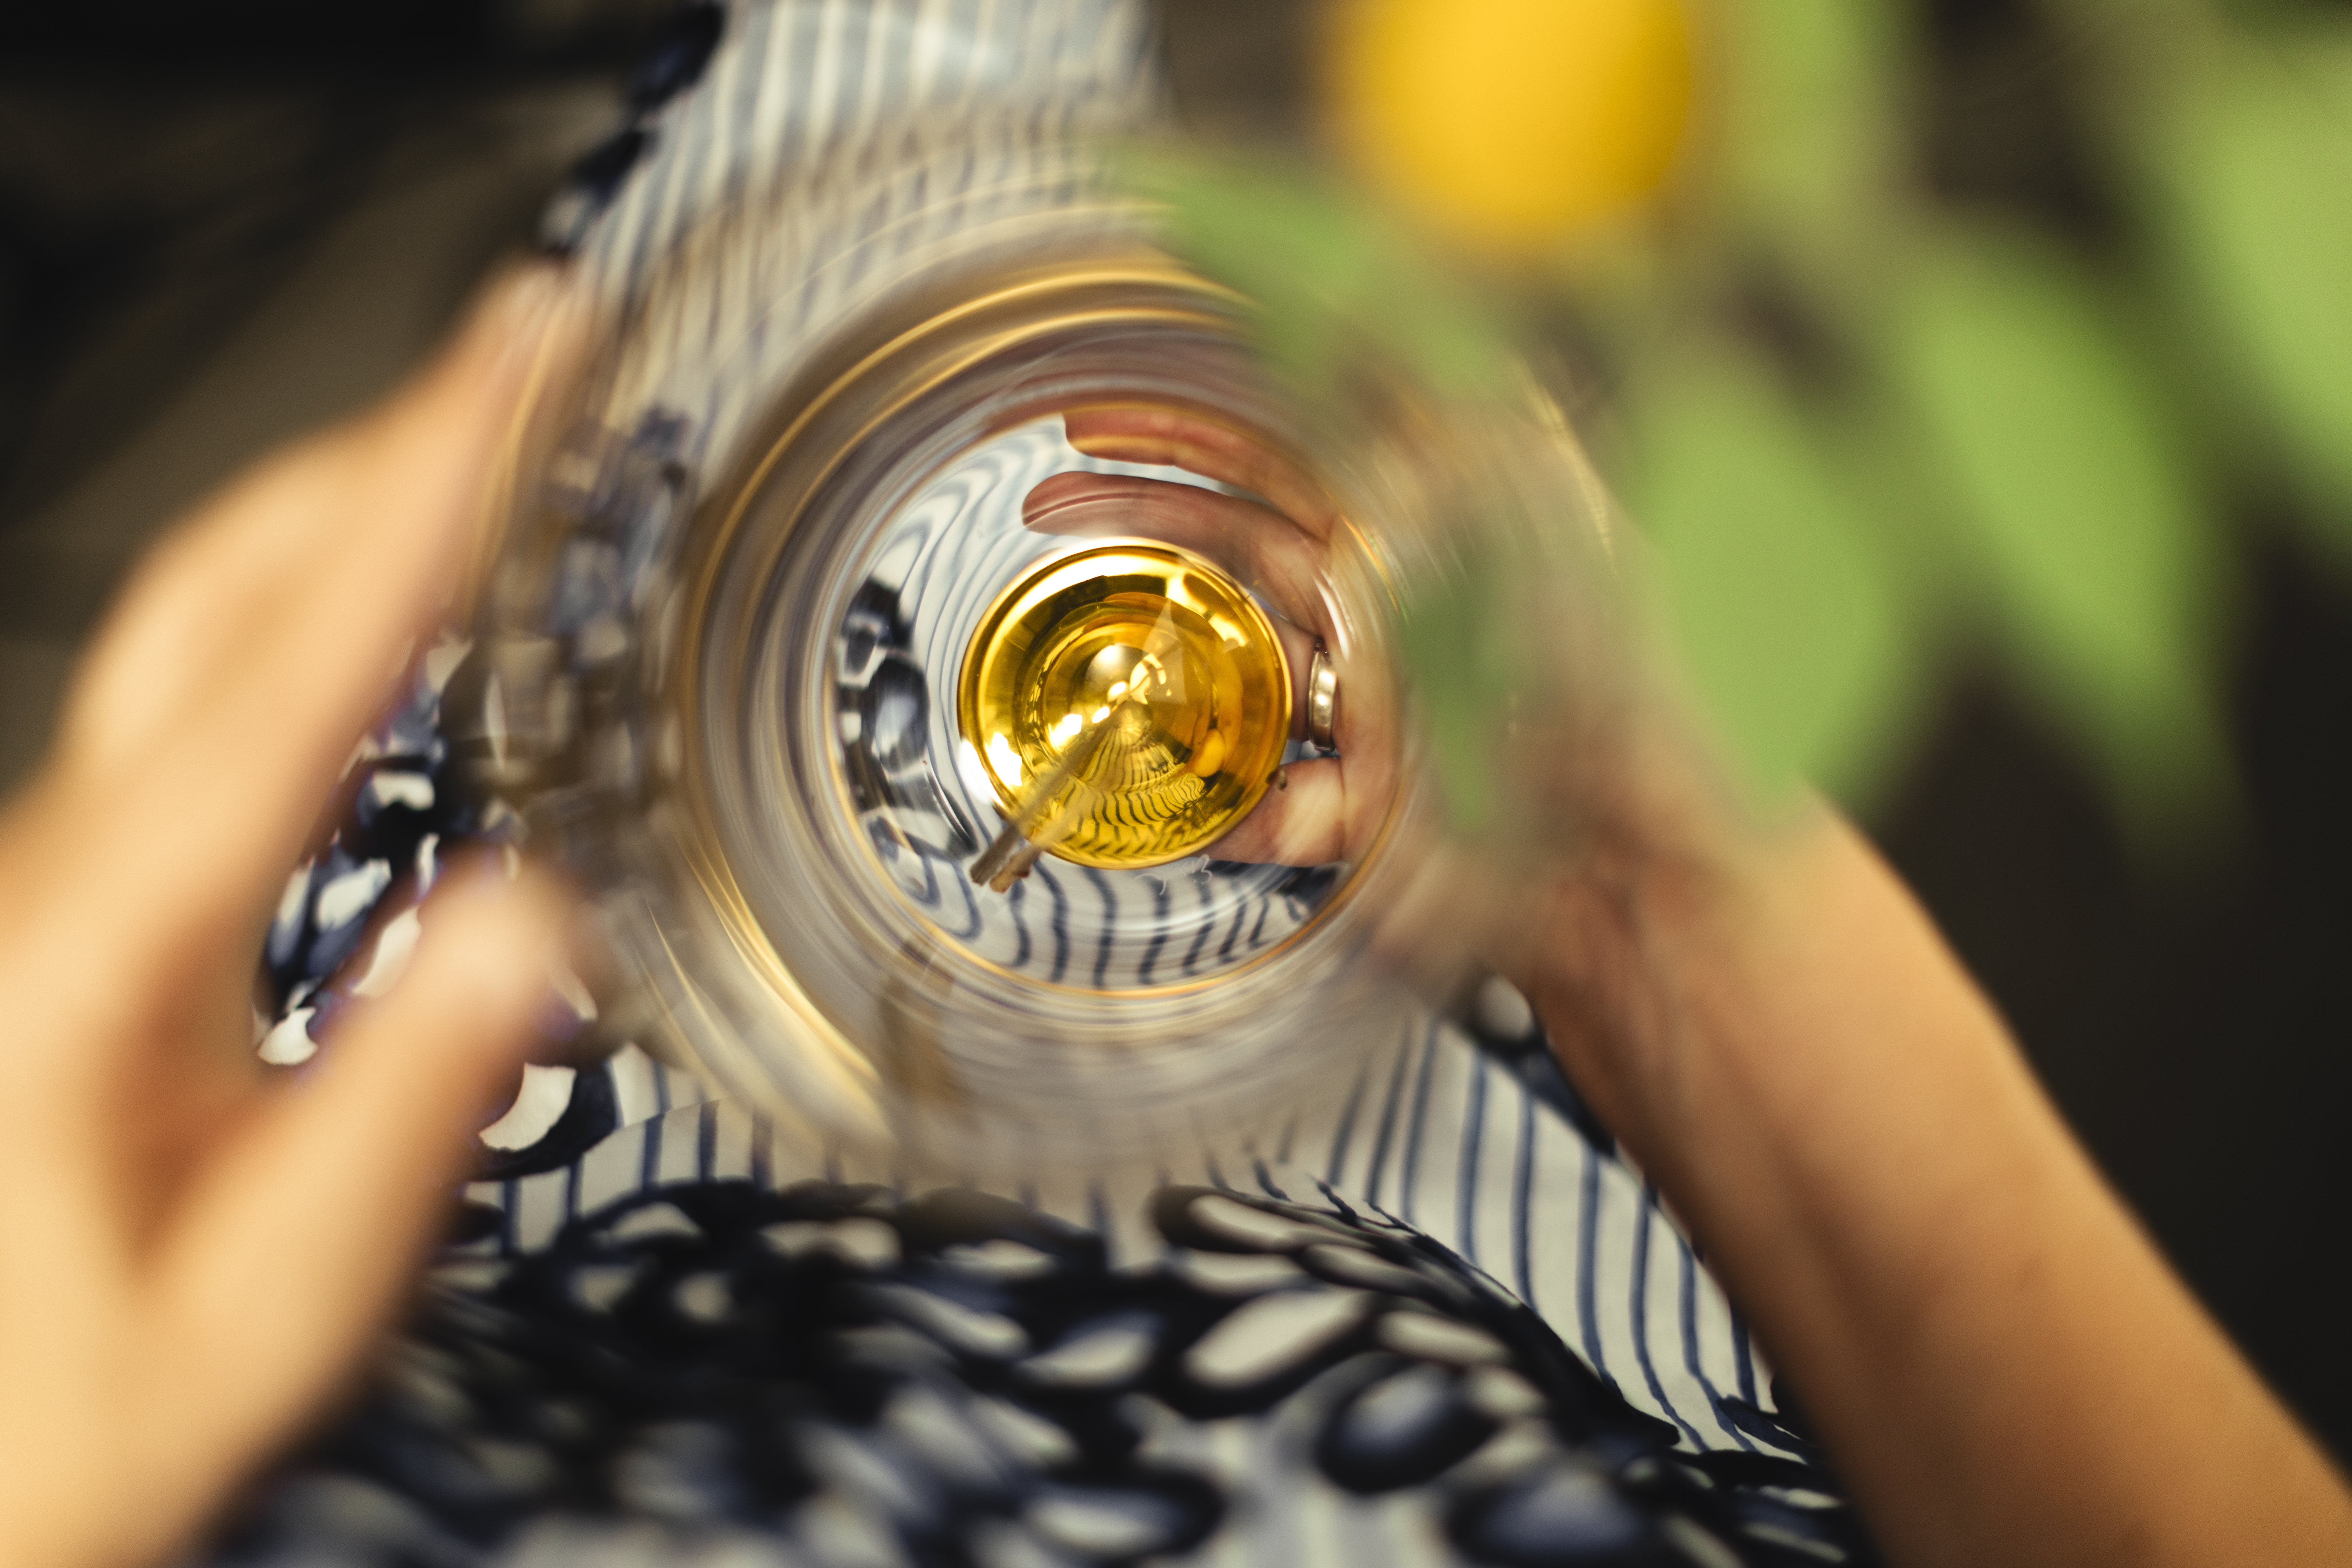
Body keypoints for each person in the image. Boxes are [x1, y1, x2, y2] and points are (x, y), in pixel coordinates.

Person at [1, 262, 2347, 1568]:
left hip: (522, 1151)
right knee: (931, 369)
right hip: (1361, 1122)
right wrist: (1661, 906)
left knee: (772, 426)